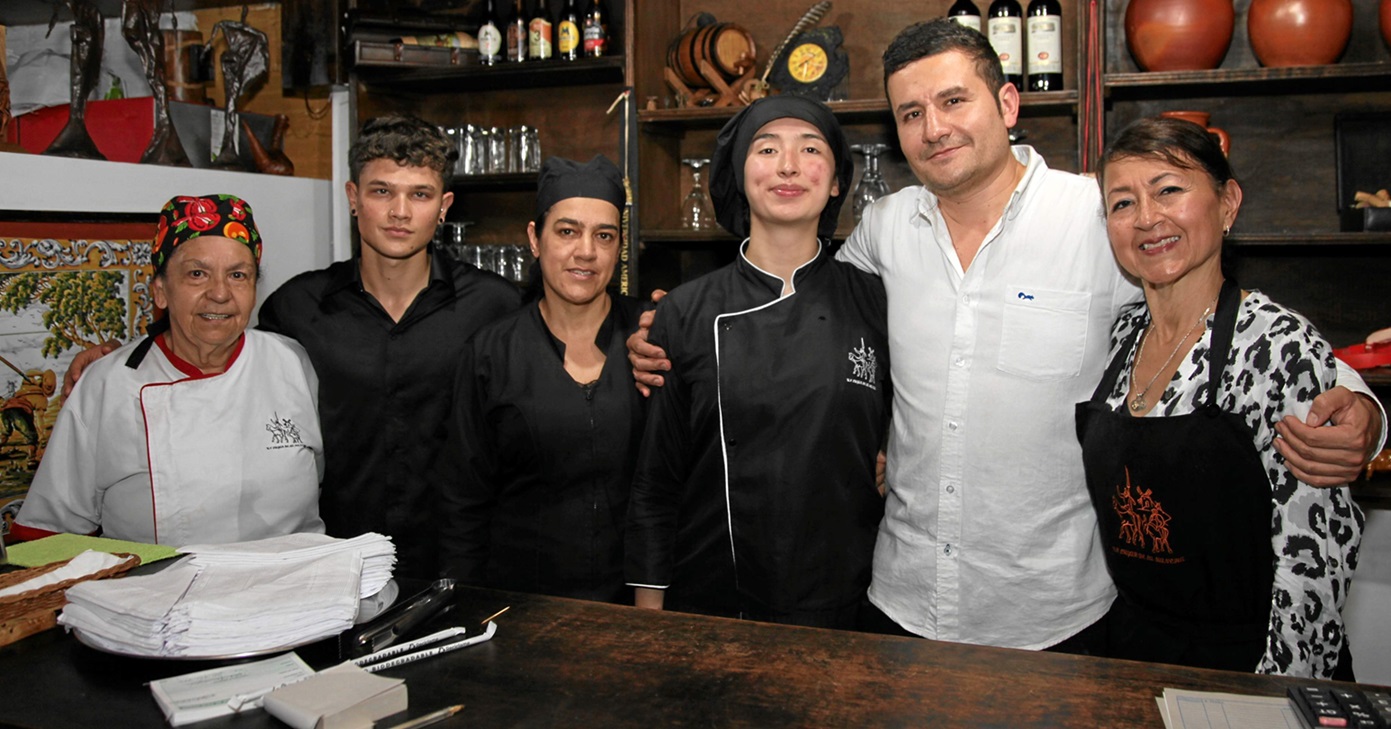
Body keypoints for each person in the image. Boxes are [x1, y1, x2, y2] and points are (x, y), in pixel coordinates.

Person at [628, 19, 1383, 650]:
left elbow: (1224, 320)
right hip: (897, 604)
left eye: (953, 99)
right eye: (911, 112)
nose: (934, 127)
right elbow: (791, 297)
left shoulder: (1097, 217)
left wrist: (1361, 409)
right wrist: (675, 326)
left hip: (1055, 618)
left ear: (1008, 103)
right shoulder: (885, 231)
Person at [64, 115, 521, 577]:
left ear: (443, 206)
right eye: (381, 191)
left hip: (462, 564)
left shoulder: (496, 306)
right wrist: (121, 360)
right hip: (328, 568)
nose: (399, 212)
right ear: (353, 198)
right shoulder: (298, 306)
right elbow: (217, 350)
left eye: (419, 194)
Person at [1077, 116, 1363, 679]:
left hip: (1248, 665)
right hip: (1134, 655)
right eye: (1122, 203)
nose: (1147, 219)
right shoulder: (1121, 336)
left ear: (1228, 203)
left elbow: (1317, 558)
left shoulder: (1278, 344)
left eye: (1169, 190)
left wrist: (1276, 692)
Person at [624, 95, 891, 629]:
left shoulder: (876, 299)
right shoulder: (686, 309)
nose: (788, 166)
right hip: (713, 597)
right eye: (766, 149)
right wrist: (649, 616)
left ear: (837, 181)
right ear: (740, 175)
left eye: (809, 148)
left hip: (847, 598)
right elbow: (656, 479)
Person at [12, 194, 324, 545]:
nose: (220, 293)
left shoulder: (292, 362)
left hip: (292, 589)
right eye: (197, 274)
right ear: (160, 291)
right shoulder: (107, 384)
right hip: (157, 594)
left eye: (238, 275)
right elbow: (47, 532)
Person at [437, 155, 644, 603]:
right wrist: (464, 604)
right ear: (535, 239)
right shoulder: (492, 353)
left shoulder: (651, 339)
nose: (585, 251)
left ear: (619, 246)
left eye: (603, 236)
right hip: (521, 604)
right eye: (567, 231)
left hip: (637, 605)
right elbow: (463, 503)